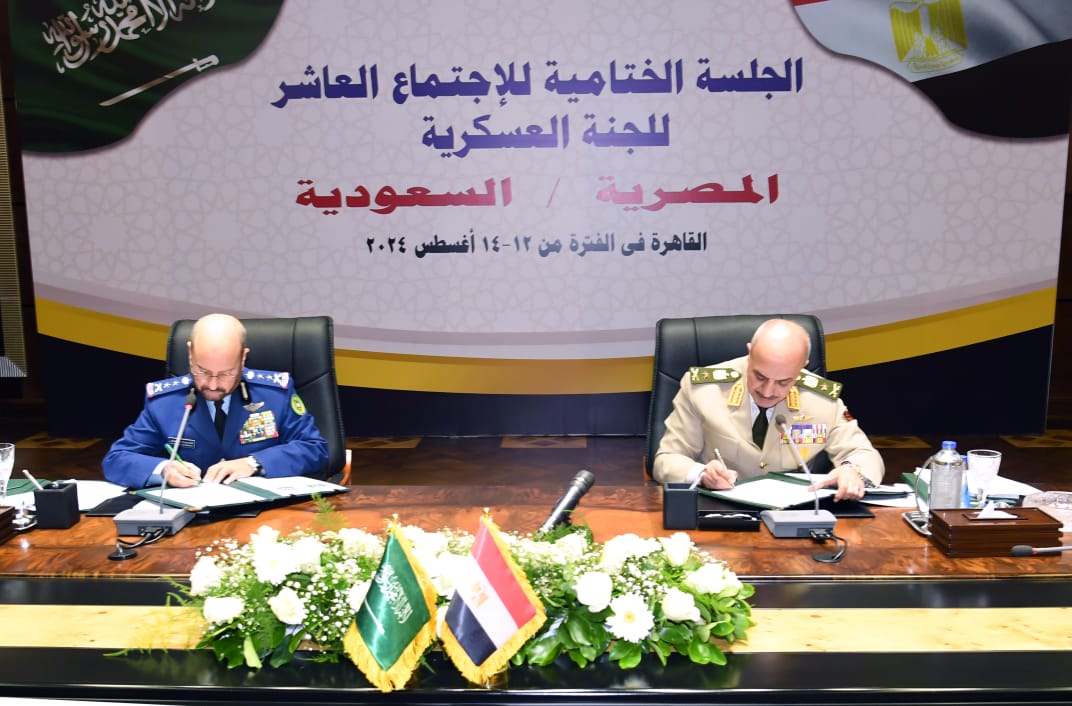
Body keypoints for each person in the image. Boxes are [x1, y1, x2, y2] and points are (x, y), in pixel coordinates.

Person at [652, 318, 883, 500]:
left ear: (802, 367)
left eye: (783, 382)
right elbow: (667, 459)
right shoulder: (703, 390)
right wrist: (702, 474)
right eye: (760, 376)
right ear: (750, 352)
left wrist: (852, 471)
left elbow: (865, 454)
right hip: (719, 508)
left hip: (794, 511)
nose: (768, 391)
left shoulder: (822, 400)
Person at [102, 313, 329, 488]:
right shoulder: (165, 401)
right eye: (202, 371)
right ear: (190, 353)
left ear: (243, 357)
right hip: (193, 517)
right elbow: (117, 459)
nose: (212, 384)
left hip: (266, 516)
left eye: (226, 373)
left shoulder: (274, 393)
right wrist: (162, 469)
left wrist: (253, 463)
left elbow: (314, 449)